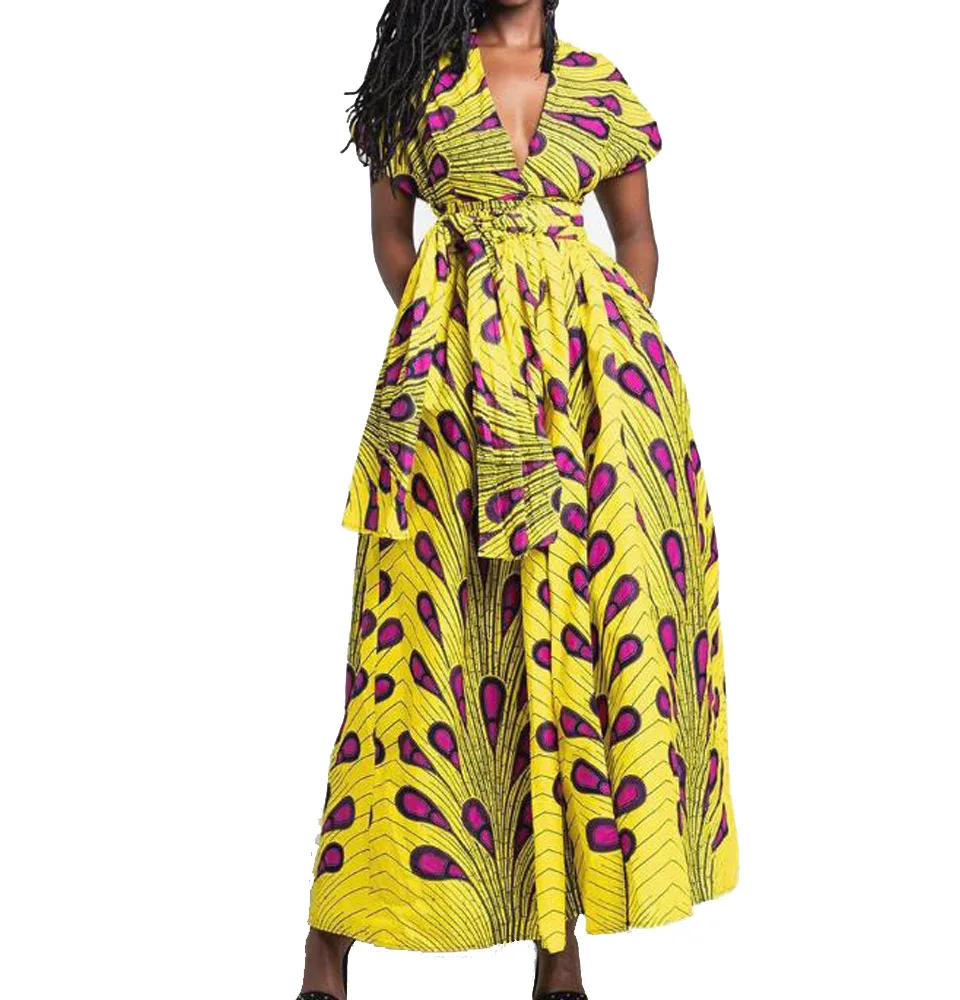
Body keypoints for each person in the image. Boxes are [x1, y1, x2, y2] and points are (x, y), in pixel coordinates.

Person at [297, 2, 738, 997]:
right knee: (412, 659)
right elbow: (391, 239)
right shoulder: (417, 84)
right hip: (448, 403)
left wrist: (607, 361)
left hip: (590, 410)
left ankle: (557, 949)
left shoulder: (599, 85)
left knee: (565, 649)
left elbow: (638, 242)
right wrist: (453, 339)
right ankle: (329, 940)